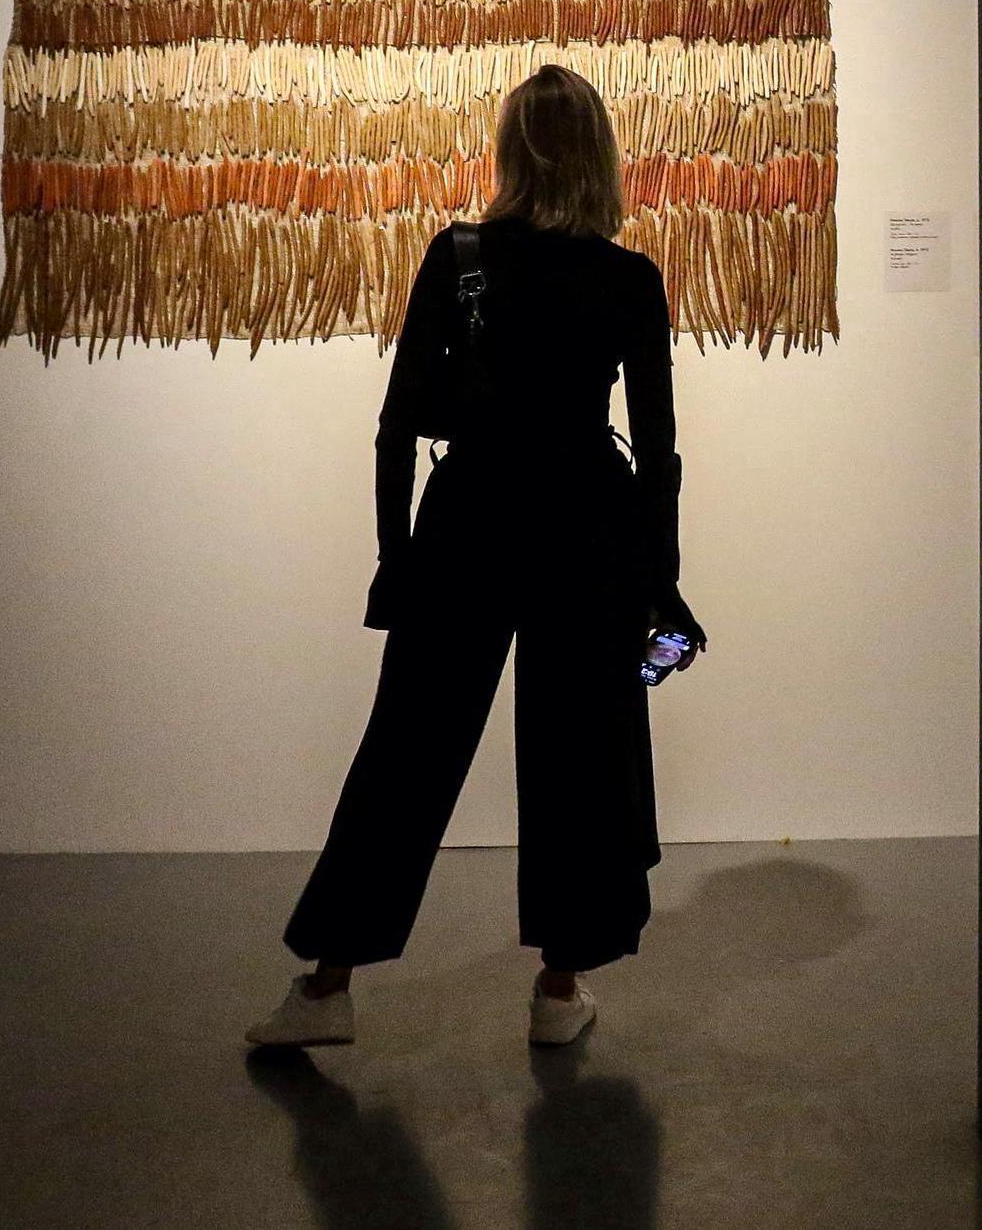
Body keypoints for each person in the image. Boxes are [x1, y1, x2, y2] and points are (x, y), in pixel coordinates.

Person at [246, 63, 707, 1051]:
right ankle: (557, 989)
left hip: (471, 519)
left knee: (405, 755)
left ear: (510, 153)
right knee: (581, 760)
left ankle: (326, 988)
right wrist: (661, 580)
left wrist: (393, 556)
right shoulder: (627, 278)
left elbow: (397, 424)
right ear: (600, 155)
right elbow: (658, 448)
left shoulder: (460, 256)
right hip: (587, 524)